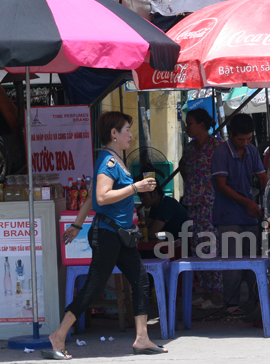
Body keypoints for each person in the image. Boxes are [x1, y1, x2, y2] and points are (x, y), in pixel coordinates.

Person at [42, 111, 166, 360]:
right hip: (108, 235)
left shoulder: (114, 160)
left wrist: (76, 226)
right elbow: (100, 197)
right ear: (114, 134)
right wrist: (135, 188)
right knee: (93, 287)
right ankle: (58, 336)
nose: (130, 135)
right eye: (127, 130)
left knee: (141, 281)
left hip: (121, 235)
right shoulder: (107, 162)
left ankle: (141, 338)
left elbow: (89, 197)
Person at [211, 113, 268, 315]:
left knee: (254, 260)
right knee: (233, 262)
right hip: (228, 215)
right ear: (231, 135)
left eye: (249, 139)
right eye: (241, 139)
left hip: (249, 214)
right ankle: (232, 304)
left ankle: (256, 301)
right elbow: (222, 187)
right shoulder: (220, 153)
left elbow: (262, 177)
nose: (245, 143)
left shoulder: (252, 151)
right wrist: (247, 202)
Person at [179, 108, 223, 309]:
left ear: (202, 125)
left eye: (190, 123)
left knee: (210, 247)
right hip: (193, 204)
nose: (187, 126)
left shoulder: (217, 146)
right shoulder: (189, 149)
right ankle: (207, 293)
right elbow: (183, 167)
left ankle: (216, 295)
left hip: (211, 204)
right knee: (197, 248)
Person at [135, 170, 189, 241]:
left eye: (143, 195)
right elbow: (147, 229)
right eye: (140, 196)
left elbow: (151, 234)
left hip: (183, 246)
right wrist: (141, 220)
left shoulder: (167, 205)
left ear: (154, 193)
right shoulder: (155, 206)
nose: (141, 199)